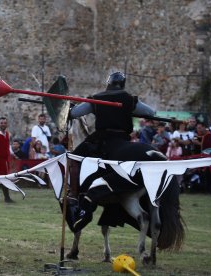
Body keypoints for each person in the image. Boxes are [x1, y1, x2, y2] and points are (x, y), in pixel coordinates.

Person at [67, 71, 156, 233]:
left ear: (108, 83)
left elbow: (74, 114)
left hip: (102, 140)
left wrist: (73, 107)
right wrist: (130, 109)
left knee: (74, 158)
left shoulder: (97, 98)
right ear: (123, 84)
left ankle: (73, 194)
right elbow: (151, 113)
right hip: (123, 139)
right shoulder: (130, 99)